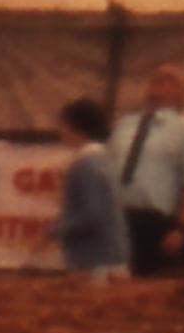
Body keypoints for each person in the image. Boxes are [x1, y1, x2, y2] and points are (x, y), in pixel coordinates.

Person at [108, 60, 184, 276]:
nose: (159, 84)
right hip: (115, 218)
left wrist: (181, 228)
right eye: (155, 79)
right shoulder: (124, 124)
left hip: (153, 222)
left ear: (182, 95)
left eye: (169, 81)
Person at [51, 97, 129, 277]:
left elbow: (91, 214)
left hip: (93, 259)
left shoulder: (85, 165)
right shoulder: (106, 160)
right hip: (112, 255)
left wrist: (57, 230)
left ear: (77, 129)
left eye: (64, 126)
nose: (60, 132)